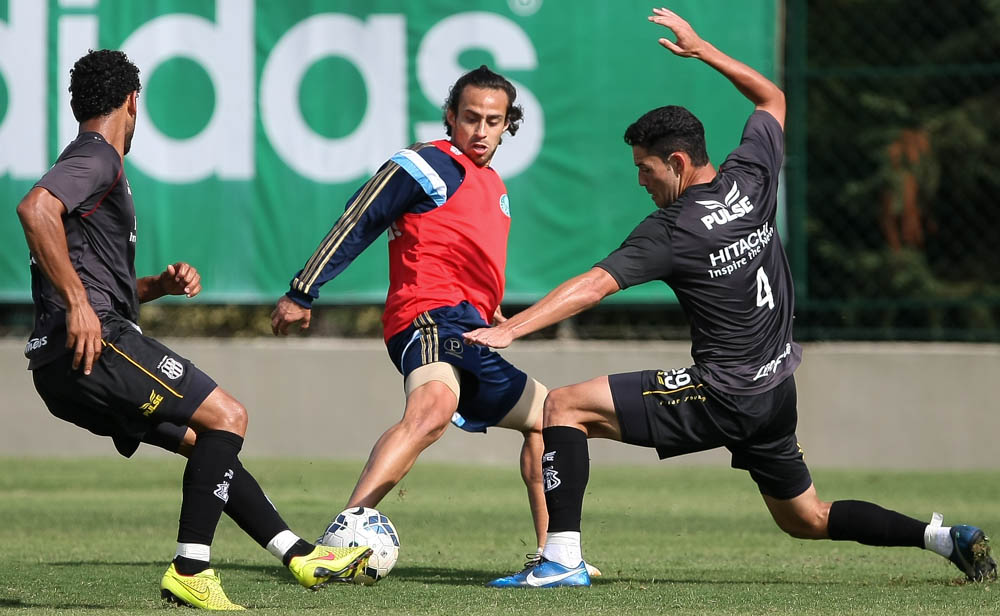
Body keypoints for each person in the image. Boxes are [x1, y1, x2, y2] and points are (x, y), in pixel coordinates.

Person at [466, 9, 997, 588]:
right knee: (807, 518)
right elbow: (771, 99)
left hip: (725, 392)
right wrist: (704, 51)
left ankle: (561, 561)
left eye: (644, 169)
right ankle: (946, 539)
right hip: (774, 390)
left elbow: (593, 285)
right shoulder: (752, 175)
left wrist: (512, 330)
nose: (639, 181)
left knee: (561, 408)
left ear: (675, 162)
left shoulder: (673, 229)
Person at [16, 49, 372, 611]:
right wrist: (81, 304)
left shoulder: (88, 159)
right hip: (95, 342)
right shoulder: (98, 156)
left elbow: (89, 268)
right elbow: (35, 208)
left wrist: (154, 284)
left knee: (209, 444)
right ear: (134, 101)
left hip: (58, 367)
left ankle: (298, 554)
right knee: (229, 416)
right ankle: (191, 569)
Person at [270, 65, 601, 575]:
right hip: (426, 316)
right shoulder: (425, 163)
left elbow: (463, 254)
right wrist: (303, 290)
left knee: (553, 418)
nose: (481, 130)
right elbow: (360, 217)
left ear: (508, 123)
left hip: (470, 328)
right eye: (471, 118)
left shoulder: (493, 185)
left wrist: (489, 309)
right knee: (431, 412)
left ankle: (552, 557)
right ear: (451, 116)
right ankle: (340, 541)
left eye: (494, 120)